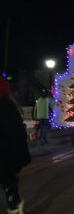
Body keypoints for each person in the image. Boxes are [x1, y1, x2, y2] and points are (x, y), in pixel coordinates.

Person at [0, 76, 31, 214]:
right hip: (6, 154)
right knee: (8, 179)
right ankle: (13, 203)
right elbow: (17, 134)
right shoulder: (8, 108)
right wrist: (22, 154)